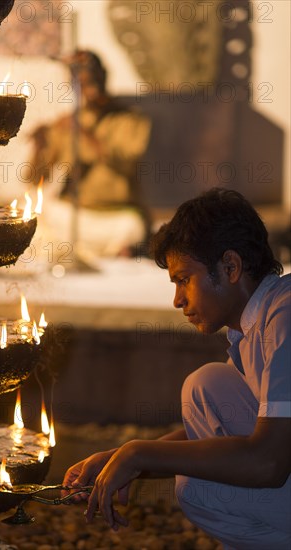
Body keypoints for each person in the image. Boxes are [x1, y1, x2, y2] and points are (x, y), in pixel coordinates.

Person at [62, 188, 291, 549]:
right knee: (207, 387)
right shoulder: (253, 326)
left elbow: (269, 463)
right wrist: (121, 458)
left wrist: (139, 453)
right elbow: (217, 432)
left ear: (230, 267)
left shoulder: (284, 318)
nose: (177, 300)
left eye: (184, 279)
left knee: (196, 487)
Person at [28, 50, 151, 258]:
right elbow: (35, 179)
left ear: (103, 78)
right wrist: (39, 147)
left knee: (133, 228)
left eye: (92, 80)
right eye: (82, 83)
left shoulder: (130, 120)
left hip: (115, 216)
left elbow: (126, 163)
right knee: (35, 216)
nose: (89, 89)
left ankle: (96, 251)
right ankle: (88, 252)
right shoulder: (65, 124)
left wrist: (84, 133)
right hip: (74, 215)